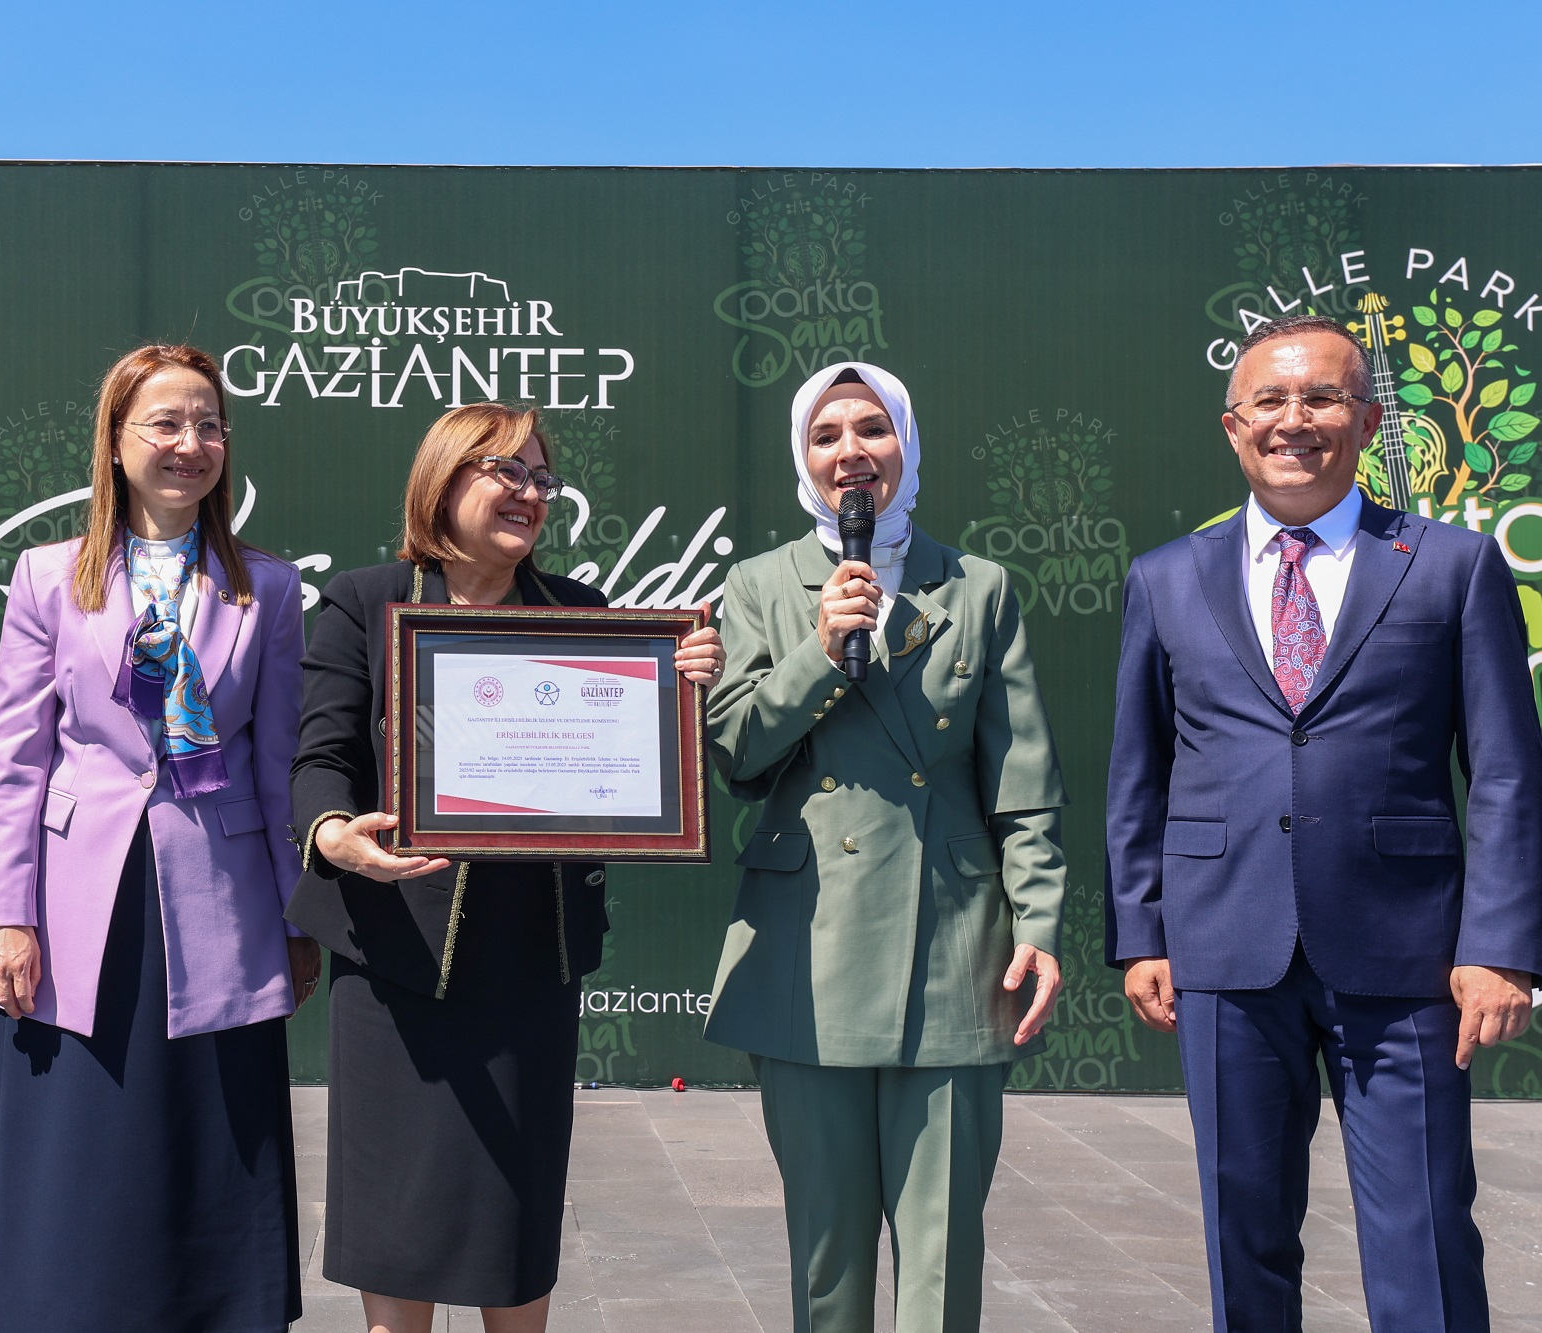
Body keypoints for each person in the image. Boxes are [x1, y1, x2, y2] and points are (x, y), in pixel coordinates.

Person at [1108, 313, 1542, 1330]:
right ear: (1232, 425)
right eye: (1269, 400)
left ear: (1368, 419)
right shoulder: (1166, 577)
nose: (1293, 420)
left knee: (1425, 1235)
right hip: (1223, 946)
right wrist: (1141, 931)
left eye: (1321, 397)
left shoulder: (1450, 565)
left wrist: (1499, 947)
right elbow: (1140, 770)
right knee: (1242, 1232)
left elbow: (1505, 774)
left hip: (1406, 955)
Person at [288, 402, 725, 1333]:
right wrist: (332, 833)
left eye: (541, 477)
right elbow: (320, 755)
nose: (530, 492)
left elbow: (635, 767)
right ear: (442, 478)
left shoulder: (584, 614)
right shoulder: (364, 601)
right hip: (396, 961)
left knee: (514, 1220)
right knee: (393, 1222)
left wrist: (682, 683)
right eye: (506, 471)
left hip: (528, 961)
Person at [704, 362, 1066, 1333]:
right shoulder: (758, 586)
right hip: (804, 945)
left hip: (953, 949)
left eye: (872, 428)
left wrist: (1037, 921)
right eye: (825, 435)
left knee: (942, 1254)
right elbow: (738, 753)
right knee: (824, 1256)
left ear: (906, 442)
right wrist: (820, 653)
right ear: (801, 457)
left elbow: (1022, 779)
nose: (850, 452)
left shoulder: (979, 587)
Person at [0, 343, 314, 1331]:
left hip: (219, 897)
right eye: (165, 423)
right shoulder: (46, 577)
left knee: (213, 1137)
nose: (189, 443)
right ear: (116, 442)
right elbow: (14, 759)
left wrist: (297, 917)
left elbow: (279, 766)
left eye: (208, 424)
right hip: (79, 898)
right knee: (82, 1141)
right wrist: (5, 914)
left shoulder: (268, 589)